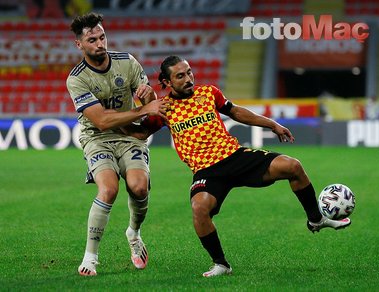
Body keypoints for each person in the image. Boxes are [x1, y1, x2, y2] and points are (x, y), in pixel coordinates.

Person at [144, 55, 351, 277]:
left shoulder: (209, 93)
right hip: (207, 171)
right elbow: (138, 132)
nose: (188, 78)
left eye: (189, 72)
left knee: (293, 166)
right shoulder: (163, 109)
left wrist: (272, 124)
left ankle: (316, 219)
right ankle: (221, 264)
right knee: (199, 209)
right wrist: (130, 115)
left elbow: (235, 112)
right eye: (180, 75)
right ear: (166, 82)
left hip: (235, 156)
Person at [66, 12, 168, 276]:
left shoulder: (127, 62)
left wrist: (149, 96)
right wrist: (140, 112)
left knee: (139, 186)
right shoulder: (77, 78)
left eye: (102, 37)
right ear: (80, 44)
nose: (100, 43)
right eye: (92, 40)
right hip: (97, 138)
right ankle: (90, 257)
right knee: (109, 190)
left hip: (128, 136)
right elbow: (100, 121)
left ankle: (134, 233)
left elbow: (151, 106)